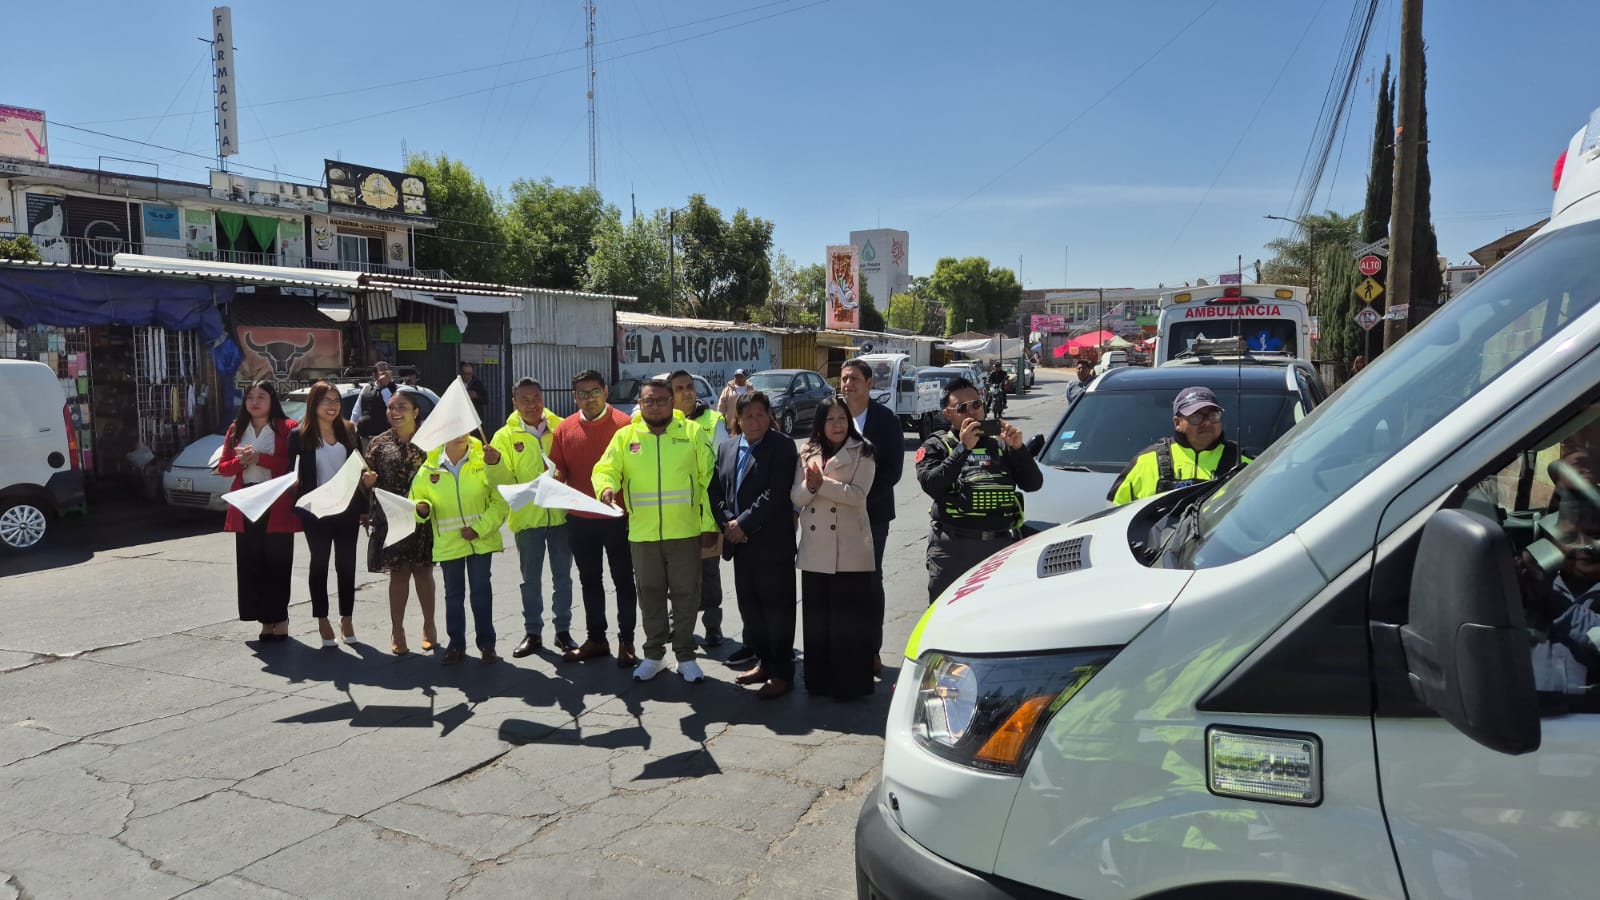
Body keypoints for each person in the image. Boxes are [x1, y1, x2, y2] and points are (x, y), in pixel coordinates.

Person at [591, 379, 718, 684]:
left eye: (662, 400)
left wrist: (709, 525)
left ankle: (686, 656)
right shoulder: (626, 436)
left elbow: (709, 481)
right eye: (649, 401)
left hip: (685, 532)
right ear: (641, 403)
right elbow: (604, 469)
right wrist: (606, 488)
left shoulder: (691, 433)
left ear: (672, 402)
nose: (656, 406)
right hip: (642, 534)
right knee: (650, 595)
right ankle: (654, 655)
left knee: (687, 595)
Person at [917, 376, 1043, 604]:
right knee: (946, 618)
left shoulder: (1000, 443)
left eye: (977, 404)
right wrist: (963, 449)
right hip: (953, 548)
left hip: (999, 548)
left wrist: (1018, 449)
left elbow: (1033, 484)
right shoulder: (936, 445)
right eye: (962, 408)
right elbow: (932, 485)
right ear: (948, 415)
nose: (972, 412)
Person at [709, 391, 800, 699]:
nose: (755, 421)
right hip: (741, 545)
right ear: (738, 419)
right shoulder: (727, 447)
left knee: (778, 611)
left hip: (772, 545)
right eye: (748, 415)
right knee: (752, 610)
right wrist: (727, 521)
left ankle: (782, 673)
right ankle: (764, 662)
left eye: (761, 414)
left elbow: (776, 494)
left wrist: (742, 524)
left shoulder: (782, 446)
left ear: (769, 416)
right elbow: (715, 490)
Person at [549, 370, 639, 667]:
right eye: (582, 393)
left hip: (618, 516)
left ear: (606, 391)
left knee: (624, 581)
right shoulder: (564, 428)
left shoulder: (626, 426)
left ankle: (627, 641)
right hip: (580, 517)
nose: (589, 398)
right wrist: (555, 477)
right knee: (589, 580)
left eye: (594, 391)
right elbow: (559, 467)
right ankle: (597, 639)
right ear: (574, 396)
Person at [792, 397, 878, 700]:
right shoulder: (807, 451)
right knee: (818, 622)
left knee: (849, 623)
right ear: (821, 423)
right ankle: (818, 681)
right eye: (830, 419)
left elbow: (857, 495)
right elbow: (797, 496)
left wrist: (821, 483)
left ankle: (850, 685)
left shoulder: (863, 451)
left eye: (842, 418)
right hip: (816, 550)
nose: (837, 424)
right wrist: (812, 487)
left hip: (850, 549)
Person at [488, 378, 577, 658]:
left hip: (562, 517)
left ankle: (563, 631)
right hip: (527, 520)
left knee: (563, 577)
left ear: (543, 397)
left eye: (536, 397)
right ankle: (533, 632)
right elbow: (501, 484)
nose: (531, 404)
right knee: (531, 580)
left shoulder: (561, 426)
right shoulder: (504, 436)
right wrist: (494, 465)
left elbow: (574, 466)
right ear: (514, 403)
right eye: (524, 400)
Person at [411, 433, 509, 664]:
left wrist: (479, 529)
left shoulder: (484, 460)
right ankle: (456, 644)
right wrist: (421, 509)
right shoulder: (429, 468)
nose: (458, 435)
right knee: (453, 595)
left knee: (481, 593)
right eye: (452, 430)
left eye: (463, 429)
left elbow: (501, 500)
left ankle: (487, 645)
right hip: (448, 543)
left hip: (480, 541)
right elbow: (415, 500)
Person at [217, 381, 300, 642]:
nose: (254, 401)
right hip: (246, 500)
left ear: (271, 400)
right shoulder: (236, 428)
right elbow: (224, 467)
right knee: (251, 563)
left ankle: (280, 618)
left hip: (276, 501)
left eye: (261, 396)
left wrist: (260, 458)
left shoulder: (288, 428)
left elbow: (292, 466)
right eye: (250, 397)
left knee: (278, 562)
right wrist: (241, 461)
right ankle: (264, 620)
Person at [293, 381, 374, 647]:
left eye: (336, 400)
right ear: (314, 404)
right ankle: (322, 618)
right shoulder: (299, 435)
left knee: (346, 564)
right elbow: (290, 474)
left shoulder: (349, 431)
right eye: (326, 400)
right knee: (319, 564)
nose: (332, 406)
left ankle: (346, 617)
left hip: (346, 509)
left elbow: (360, 470)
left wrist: (365, 502)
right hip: (315, 510)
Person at [838, 359, 904, 675]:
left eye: (854, 379)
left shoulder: (886, 420)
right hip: (832, 517)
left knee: (867, 582)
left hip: (871, 516)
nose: (847, 384)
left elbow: (892, 471)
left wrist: (858, 500)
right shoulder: (832, 415)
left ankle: (871, 651)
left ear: (869, 384)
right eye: (843, 378)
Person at [364, 387, 438, 656]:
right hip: (391, 517)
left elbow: (440, 476)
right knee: (399, 573)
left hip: (422, 515)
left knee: (423, 572)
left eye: (402, 407)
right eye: (391, 407)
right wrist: (368, 483)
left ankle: (429, 626)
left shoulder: (431, 442)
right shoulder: (378, 443)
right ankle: (398, 630)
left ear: (416, 412)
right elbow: (366, 477)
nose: (395, 412)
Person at [668, 369, 732, 647]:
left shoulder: (713, 421)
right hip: (675, 518)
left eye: (689, 386)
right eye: (679, 388)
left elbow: (723, 468)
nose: (686, 392)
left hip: (707, 517)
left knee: (709, 575)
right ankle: (678, 625)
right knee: (678, 576)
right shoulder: (663, 423)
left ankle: (713, 627)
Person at [1108, 386, 1247, 506]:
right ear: (1177, 423)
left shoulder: (1245, 464)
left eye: (1213, 415)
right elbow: (1114, 515)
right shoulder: (1146, 462)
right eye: (1196, 417)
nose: (1207, 423)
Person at [354, 361, 398, 442]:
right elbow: (356, 413)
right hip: (365, 438)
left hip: (386, 440)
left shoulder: (395, 390)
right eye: (381, 370)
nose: (385, 373)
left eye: (387, 370)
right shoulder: (366, 389)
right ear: (374, 375)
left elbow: (393, 408)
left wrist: (384, 386)